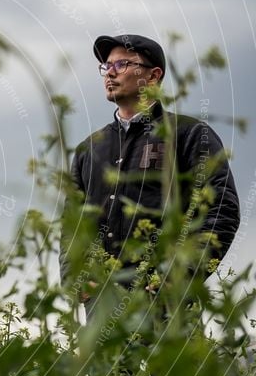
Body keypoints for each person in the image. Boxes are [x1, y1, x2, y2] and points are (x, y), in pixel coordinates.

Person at [60, 34, 240, 318]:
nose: (110, 73)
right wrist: (78, 281)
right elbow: (73, 225)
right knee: (107, 365)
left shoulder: (189, 134)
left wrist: (178, 279)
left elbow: (221, 210)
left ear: (153, 75)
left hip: (169, 308)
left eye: (121, 64)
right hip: (104, 310)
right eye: (106, 66)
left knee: (175, 365)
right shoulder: (89, 149)